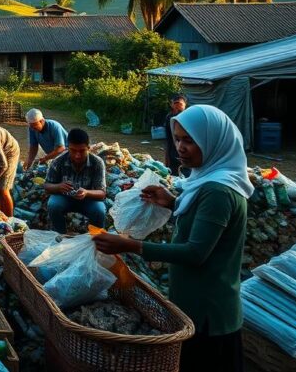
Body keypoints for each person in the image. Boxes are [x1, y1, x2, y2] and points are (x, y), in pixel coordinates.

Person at [94, 105, 252, 372]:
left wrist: (130, 245)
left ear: (212, 141)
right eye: (177, 139)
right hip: (194, 303)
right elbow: (201, 226)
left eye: (190, 140)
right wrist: (173, 204)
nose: (180, 147)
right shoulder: (207, 182)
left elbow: (195, 252)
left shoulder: (218, 191)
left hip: (208, 312)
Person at [43, 128, 106, 234]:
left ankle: (98, 240)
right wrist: (58, 187)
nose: (77, 155)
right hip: (64, 198)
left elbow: (102, 193)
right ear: (67, 148)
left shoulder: (97, 163)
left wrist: (86, 192)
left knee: (99, 209)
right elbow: (46, 185)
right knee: (53, 205)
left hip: (88, 200)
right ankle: (60, 236)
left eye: (82, 151)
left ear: (88, 148)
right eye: (73, 150)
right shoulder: (58, 161)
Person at [164, 94, 188, 175]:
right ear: (171, 105)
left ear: (185, 105)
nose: (177, 107)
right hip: (173, 152)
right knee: (173, 175)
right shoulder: (169, 118)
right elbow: (168, 139)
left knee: (186, 173)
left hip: (187, 151)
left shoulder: (189, 117)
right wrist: (167, 157)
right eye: (175, 104)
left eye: (180, 104)